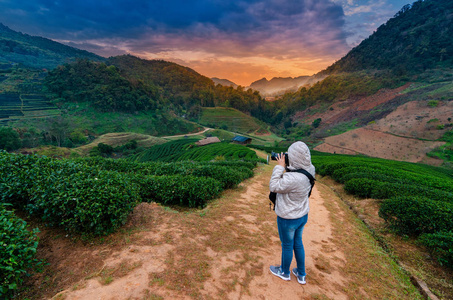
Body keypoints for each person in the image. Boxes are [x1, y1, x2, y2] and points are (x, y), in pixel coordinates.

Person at [269, 141, 315, 285]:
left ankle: (284, 272)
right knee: (298, 243)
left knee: (287, 245)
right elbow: (297, 171)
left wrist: (280, 167)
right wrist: (289, 165)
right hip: (302, 215)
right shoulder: (310, 169)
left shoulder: (292, 178)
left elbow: (274, 185)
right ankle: (301, 274)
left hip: (288, 218)